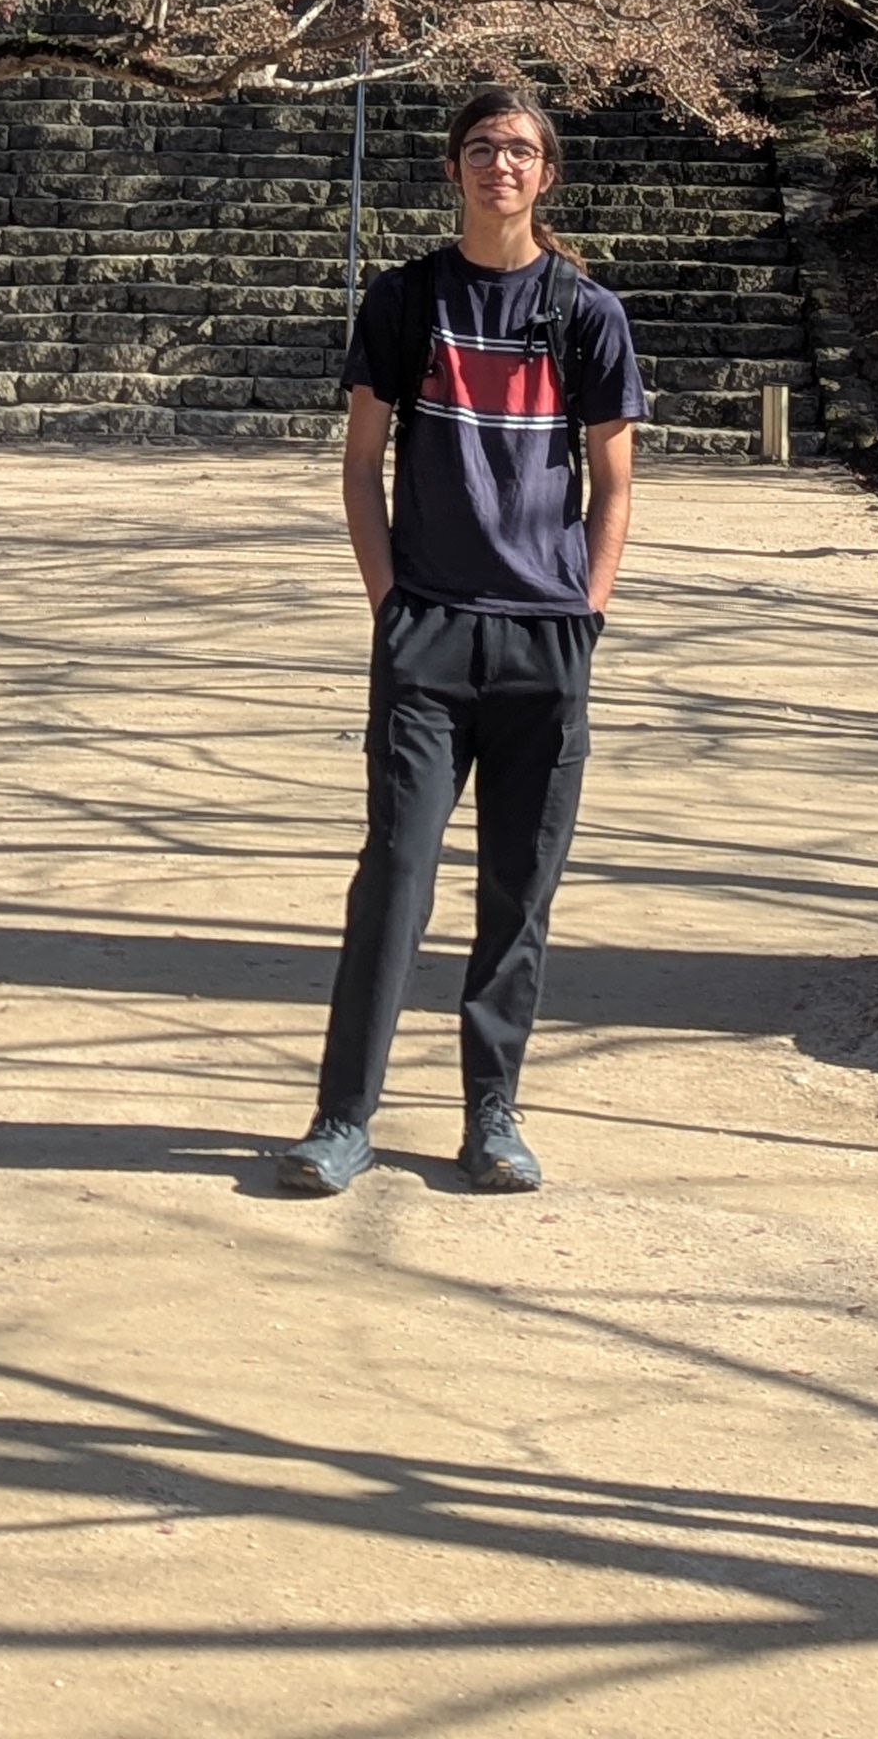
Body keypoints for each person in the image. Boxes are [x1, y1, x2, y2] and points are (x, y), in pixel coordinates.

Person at [278, 76, 643, 1197]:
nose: (501, 165)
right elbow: (359, 463)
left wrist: (587, 606)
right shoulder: (405, 302)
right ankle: (345, 1117)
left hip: (542, 640)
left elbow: (615, 484)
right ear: (455, 169)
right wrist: (390, 601)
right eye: (483, 147)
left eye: (522, 150)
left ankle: (493, 1113)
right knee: (395, 874)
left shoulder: (586, 313)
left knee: (519, 888)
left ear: (547, 174)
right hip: (428, 637)